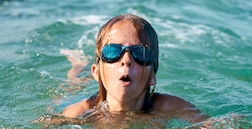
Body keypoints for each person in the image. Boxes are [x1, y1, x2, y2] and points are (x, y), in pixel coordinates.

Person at [62, 14, 205, 122]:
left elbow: (215, 128)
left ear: (153, 77)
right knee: (74, 84)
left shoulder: (169, 107)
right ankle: (78, 65)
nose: (126, 60)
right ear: (97, 72)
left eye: (140, 53)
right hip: (78, 95)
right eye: (112, 52)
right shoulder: (78, 113)